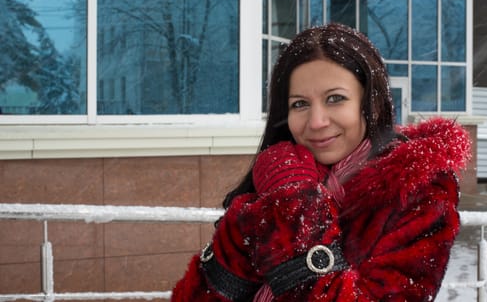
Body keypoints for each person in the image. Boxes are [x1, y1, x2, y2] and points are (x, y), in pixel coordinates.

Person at [171, 23, 471, 301]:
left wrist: (293, 205)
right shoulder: (276, 178)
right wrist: (275, 197)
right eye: (300, 104)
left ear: (371, 101)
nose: (316, 122)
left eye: (335, 98)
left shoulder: (419, 189)